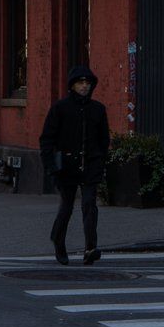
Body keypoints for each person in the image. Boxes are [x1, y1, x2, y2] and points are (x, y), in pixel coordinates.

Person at [40, 65, 110, 264]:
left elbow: (104, 140)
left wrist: (100, 160)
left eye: (88, 82)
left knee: (89, 205)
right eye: (81, 82)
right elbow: (47, 140)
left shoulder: (98, 109)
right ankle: (58, 239)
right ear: (72, 85)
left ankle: (90, 247)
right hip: (66, 166)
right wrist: (51, 166)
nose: (85, 86)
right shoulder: (60, 109)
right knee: (67, 207)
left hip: (90, 164)